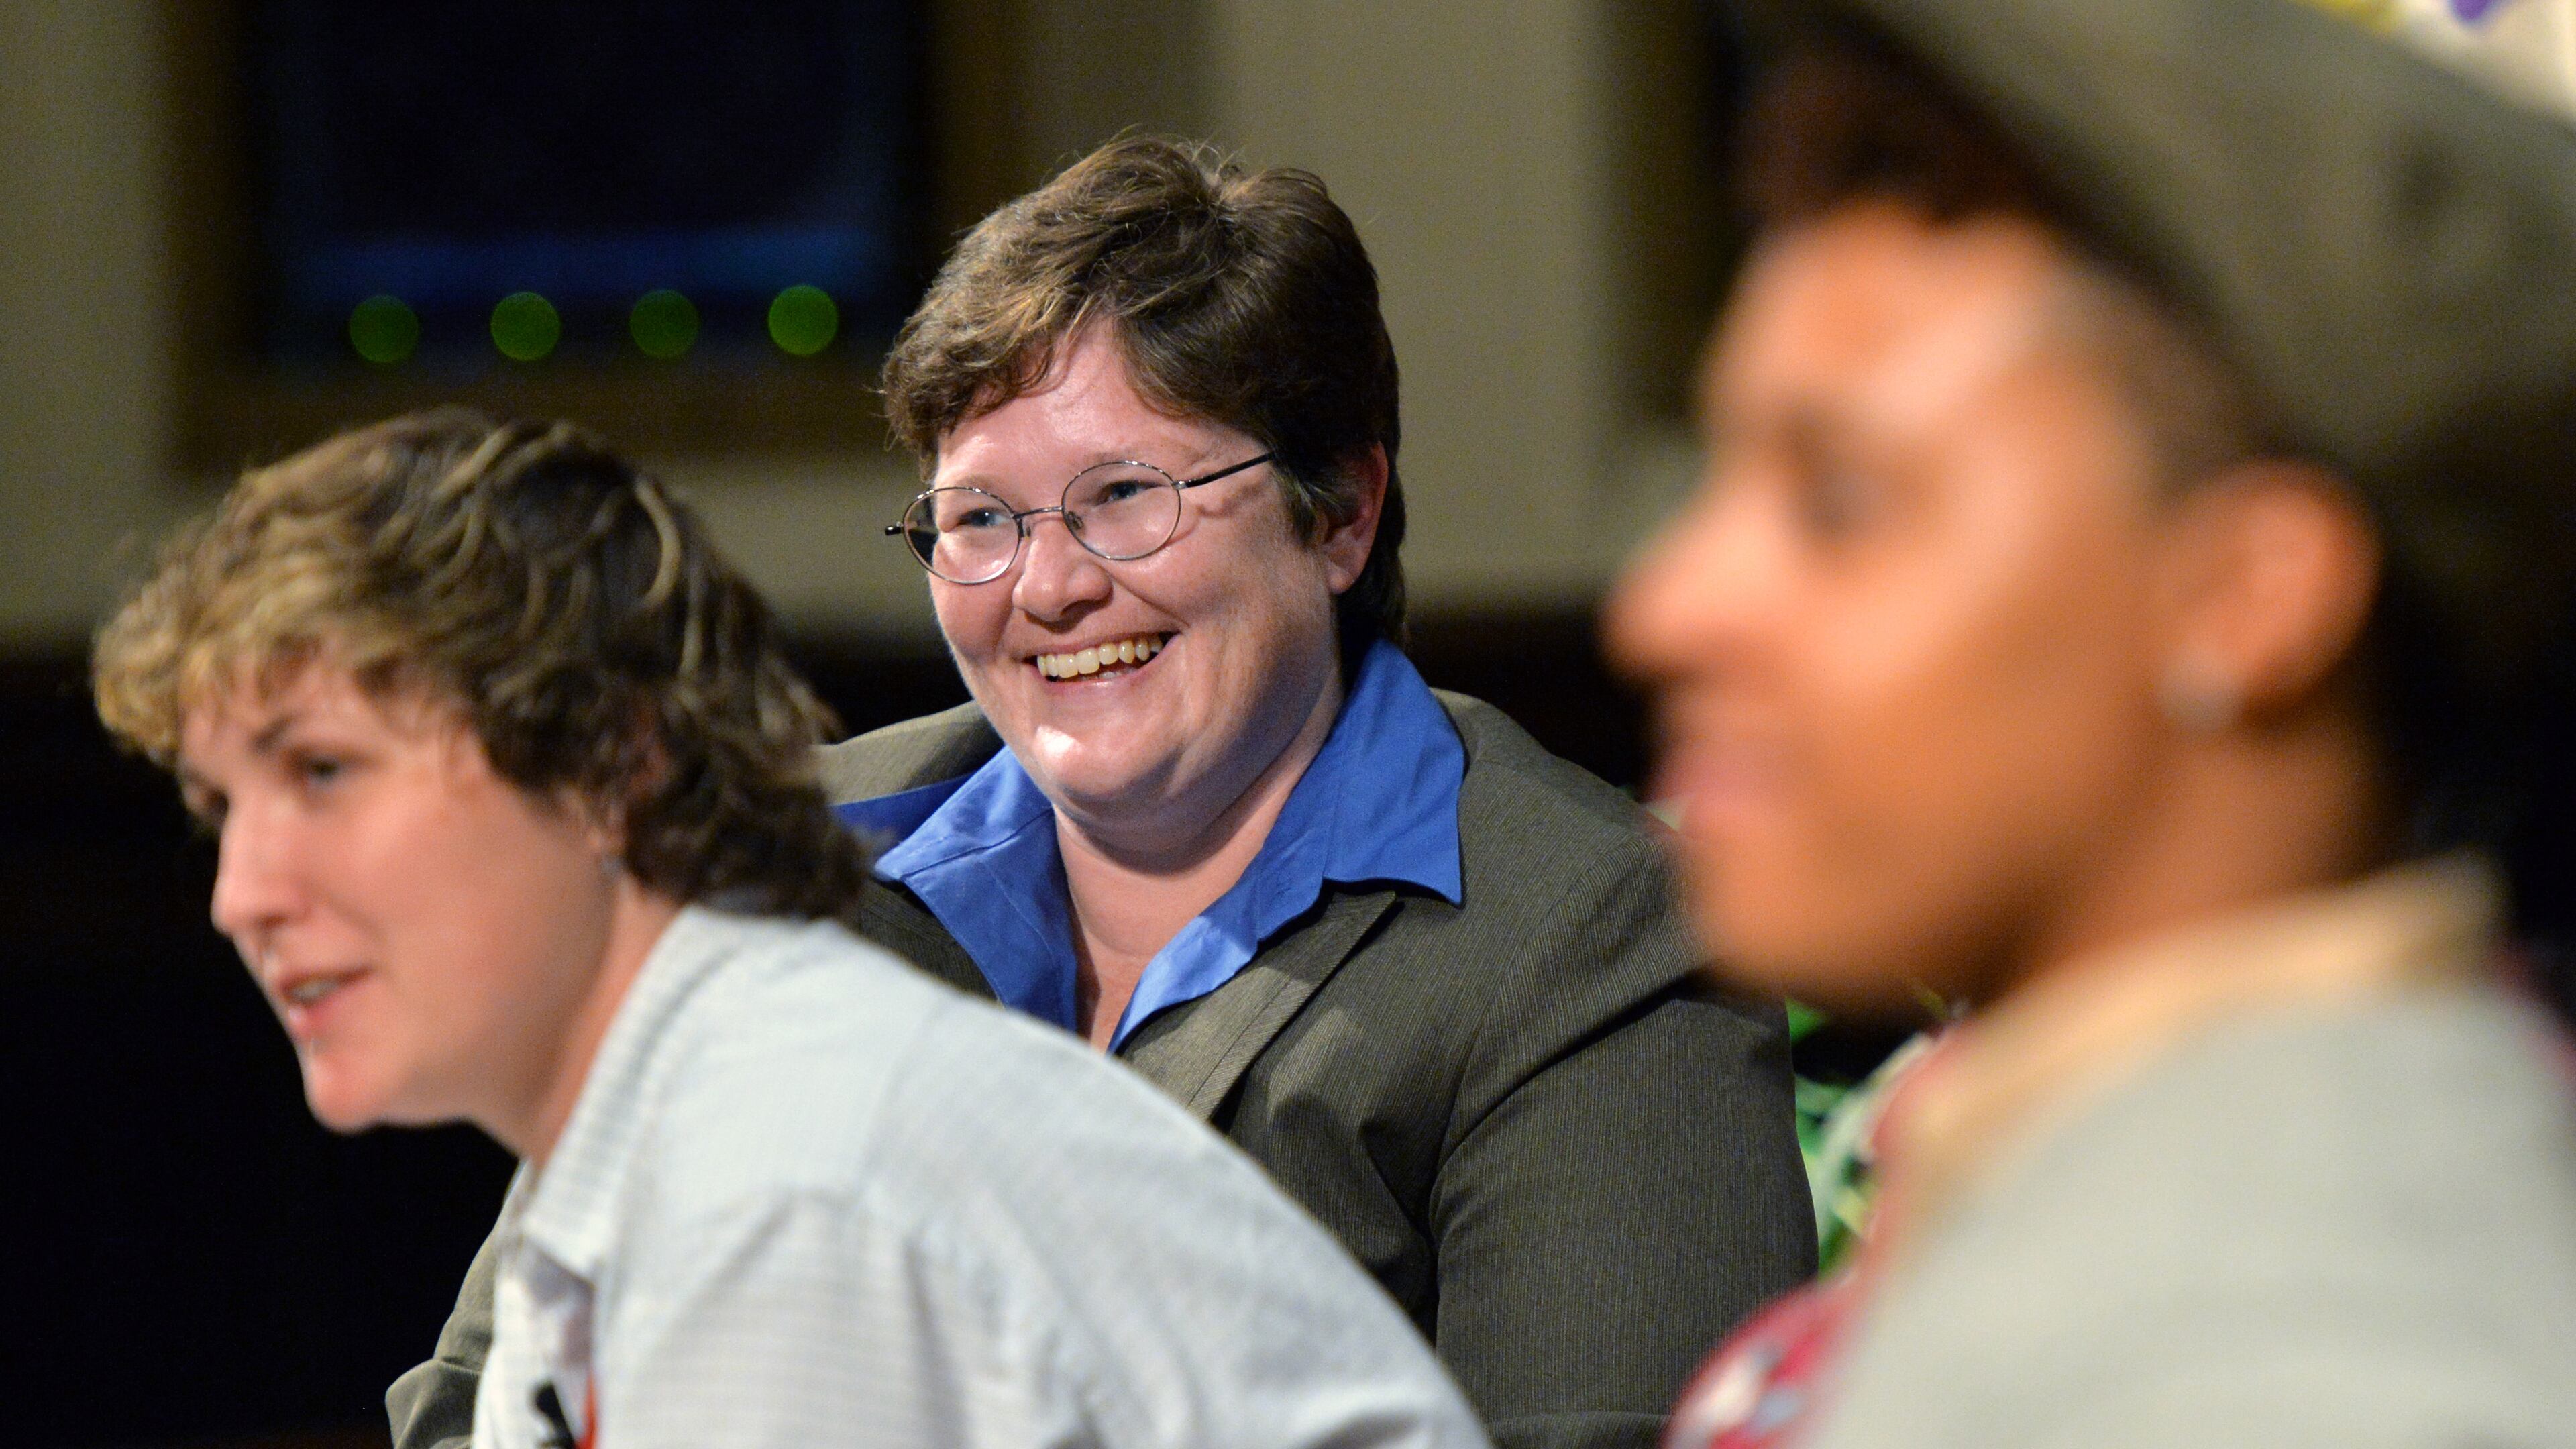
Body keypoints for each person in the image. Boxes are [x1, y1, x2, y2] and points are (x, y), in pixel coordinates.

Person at [390, 136, 1813, 1449]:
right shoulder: (754, 873)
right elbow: (480, 1405)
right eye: (981, 521)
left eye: (1129, 495)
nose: (1054, 588)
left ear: (1342, 512)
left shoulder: (1587, 936)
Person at [95, 411, 1490, 1449]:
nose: (244, 893)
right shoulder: (696, 1132)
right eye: (225, 806)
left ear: (607, 763)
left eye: (324, 775)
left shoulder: (783, 1180)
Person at [1607, 1, 2576, 1446]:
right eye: (1718, 471)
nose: (1667, 605)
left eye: (1841, 503)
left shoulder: (2323, 1371)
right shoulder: (2142, 1195)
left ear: (2249, 592)